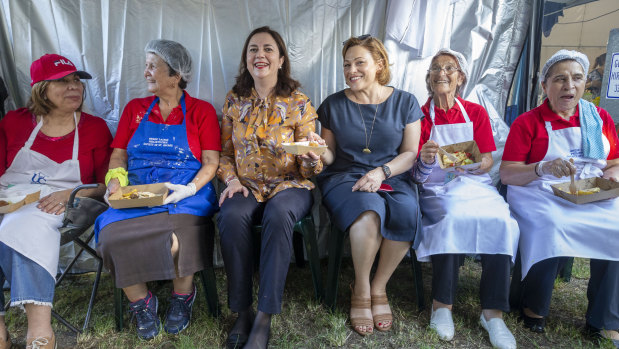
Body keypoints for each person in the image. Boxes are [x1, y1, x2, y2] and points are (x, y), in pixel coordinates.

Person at [94, 39, 220, 340]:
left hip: (183, 193)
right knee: (111, 238)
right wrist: (116, 181)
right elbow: (119, 153)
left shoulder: (201, 111)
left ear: (175, 76)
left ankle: (182, 296)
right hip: (139, 191)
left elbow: (211, 162)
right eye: (147, 65)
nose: (147, 72)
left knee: (178, 238)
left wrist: (190, 189)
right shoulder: (135, 109)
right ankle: (141, 301)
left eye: (153, 66)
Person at [500, 49, 619, 346]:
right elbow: (508, 174)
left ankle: (604, 319)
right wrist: (542, 167)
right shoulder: (528, 122)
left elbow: (614, 161)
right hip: (537, 190)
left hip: (588, 189)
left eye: (577, 78)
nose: (569, 86)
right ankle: (534, 306)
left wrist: (611, 179)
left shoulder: (598, 117)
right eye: (560, 79)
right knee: (550, 224)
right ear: (545, 86)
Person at [217, 26, 323, 349]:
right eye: (253, 50)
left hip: (290, 184)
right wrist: (231, 179)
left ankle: (264, 317)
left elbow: (313, 164)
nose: (259, 55)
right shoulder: (234, 100)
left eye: (267, 49)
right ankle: (242, 311)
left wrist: (308, 156)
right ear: (246, 59)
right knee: (231, 217)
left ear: (280, 60)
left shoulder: (298, 101)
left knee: (279, 215)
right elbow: (224, 154)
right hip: (246, 184)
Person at [0, 54, 112, 349]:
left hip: (67, 204)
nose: (74, 87)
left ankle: (39, 331)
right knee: (11, 220)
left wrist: (68, 194)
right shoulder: (14, 122)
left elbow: (105, 185)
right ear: (40, 88)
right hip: (10, 198)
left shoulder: (94, 128)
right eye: (62, 81)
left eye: (77, 80)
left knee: (21, 225)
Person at [314, 35, 422, 336]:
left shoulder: (405, 102)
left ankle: (379, 287)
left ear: (379, 64)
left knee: (406, 212)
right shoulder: (333, 105)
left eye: (359, 62)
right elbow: (330, 155)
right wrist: (315, 148)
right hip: (344, 177)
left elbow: (410, 153)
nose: (352, 70)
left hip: (392, 176)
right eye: (347, 64)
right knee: (368, 213)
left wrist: (381, 172)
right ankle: (360, 290)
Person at [412, 48, 518, 348]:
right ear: (429, 78)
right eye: (435, 68)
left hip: (474, 182)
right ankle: (442, 306)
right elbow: (416, 173)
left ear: (461, 77)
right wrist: (426, 158)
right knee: (452, 217)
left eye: (449, 68)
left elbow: (486, 159)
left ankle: (492, 314)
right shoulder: (419, 116)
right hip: (437, 187)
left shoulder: (475, 112)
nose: (441, 73)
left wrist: (469, 163)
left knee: (501, 220)